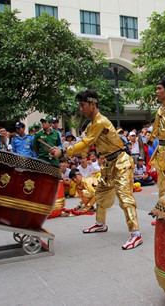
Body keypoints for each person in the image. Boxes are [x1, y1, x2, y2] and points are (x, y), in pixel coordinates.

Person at [51, 89, 142, 250]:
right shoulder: (92, 124)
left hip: (121, 162)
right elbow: (85, 149)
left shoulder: (100, 122)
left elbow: (85, 144)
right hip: (108, 163)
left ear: (93, 104)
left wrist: (64, 151)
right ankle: (100, 223)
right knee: (100, 194)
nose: (81, 109)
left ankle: (136, 234)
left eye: (83, 105)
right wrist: (64, 150)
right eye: (79, 105)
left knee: (125, 197)